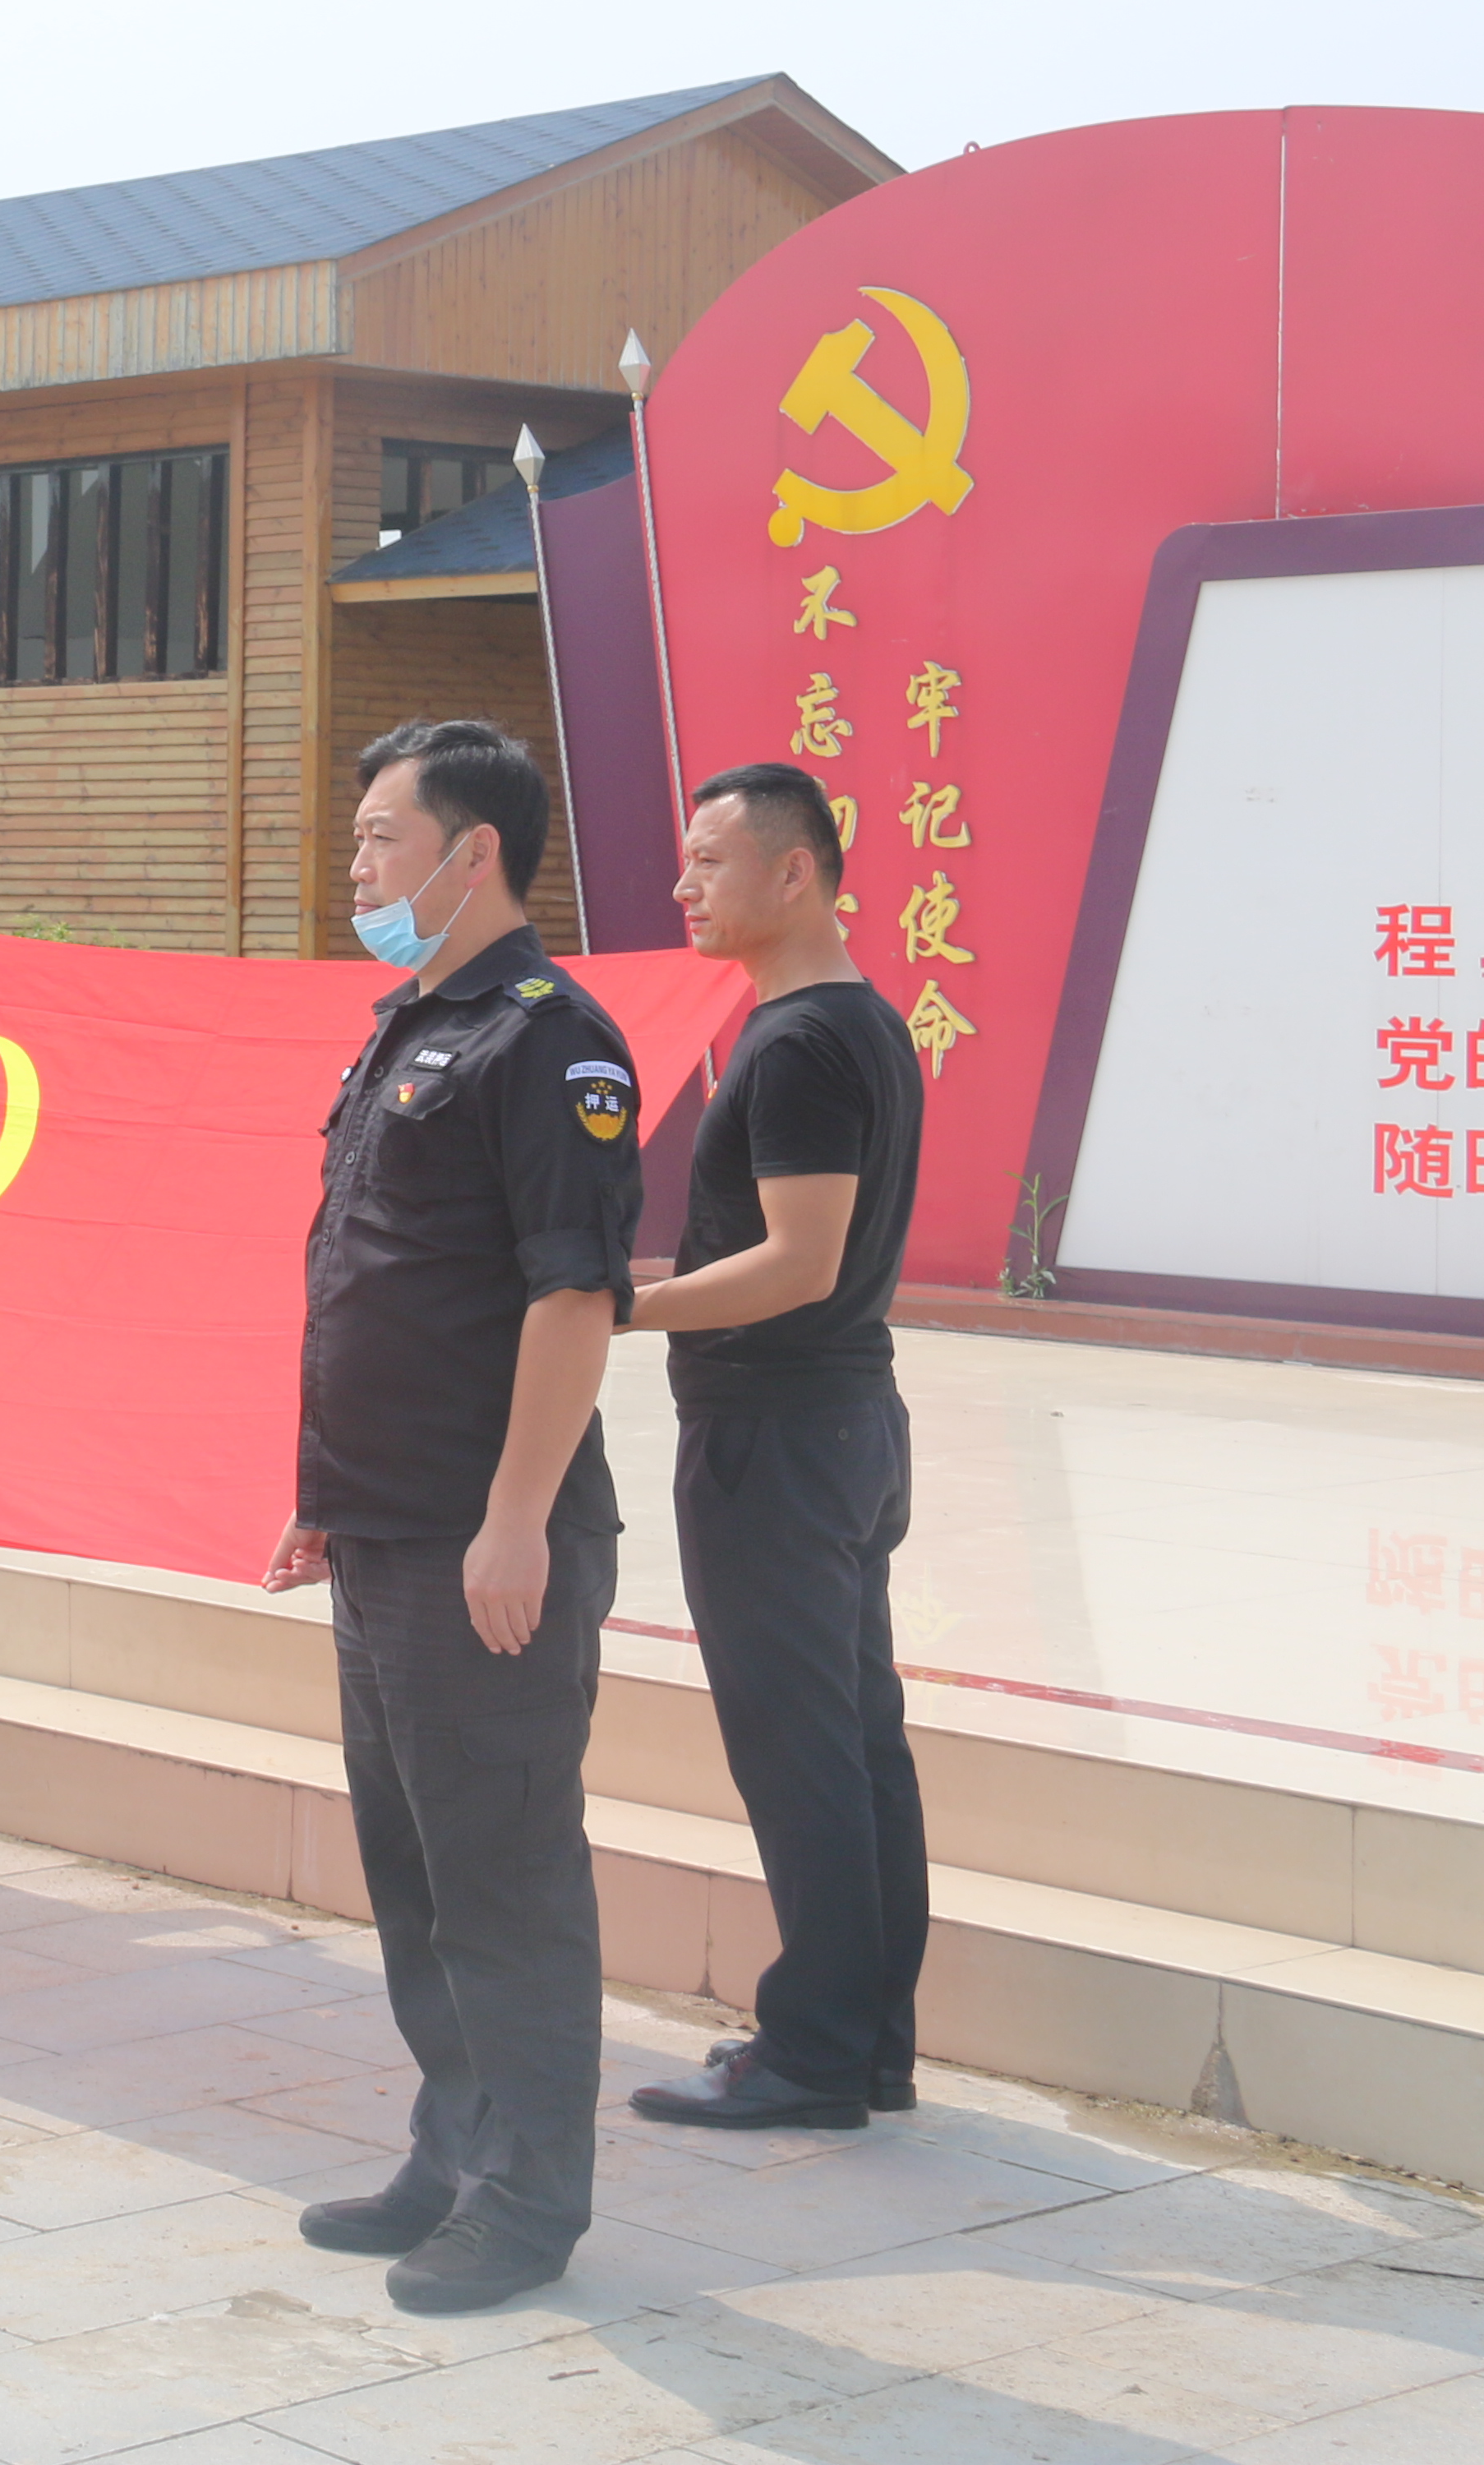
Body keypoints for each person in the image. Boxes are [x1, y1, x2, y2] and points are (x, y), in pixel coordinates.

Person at [263, 716, 643, 2316]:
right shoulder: (408, 1025)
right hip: (384, 1529)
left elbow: (573, 1300)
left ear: (473, 852)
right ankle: (452, 2146)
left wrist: (517, 1520)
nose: (356, 863)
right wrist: (323, 1498)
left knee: (504, 1879)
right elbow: (376, 1279)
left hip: (483, 1546)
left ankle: (530, 2199)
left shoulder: (549, 1044)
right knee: (416, 1872)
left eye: (381, 836)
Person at [623, 762, 933, 2135]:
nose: (682, 886)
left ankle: (811, 2053)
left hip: (780, 1435)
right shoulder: (859, 1023)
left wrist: (618, 1303)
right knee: (853, 1743)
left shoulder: (799, 1043)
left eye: (709, 861)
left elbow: (799, 1262)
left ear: (794, 871)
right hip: (840, 1425)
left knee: (803, 1750)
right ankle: (863, 2047)